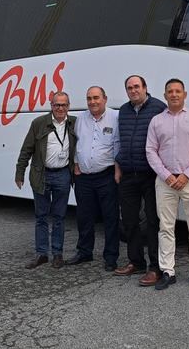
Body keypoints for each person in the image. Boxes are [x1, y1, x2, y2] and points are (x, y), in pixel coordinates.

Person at [146, 78, 189, 292]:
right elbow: (150, 151)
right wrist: (167, 176)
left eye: (177, 91)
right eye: (170, 91)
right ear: (164, 96)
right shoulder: (156, 121)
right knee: (166, 227)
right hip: (165, 182)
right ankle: (168, 271)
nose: (174, 94)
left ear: (184, 94)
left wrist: (185, 175)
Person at [113, 75, 166, 286]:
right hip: (127, 174)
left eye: (137, 87)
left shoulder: (158, 108)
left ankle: (155, 267)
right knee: (130, 221)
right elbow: (120, 140)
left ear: (145, 88)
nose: (133, 90)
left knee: (153, 221)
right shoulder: (124, 111)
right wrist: (118, 166)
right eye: (129, 88)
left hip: (151, 175)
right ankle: (136, 261)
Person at [15, 91, 77, 269]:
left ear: (68, 106)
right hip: (41, 174)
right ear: (51, 106)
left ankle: (57, 254)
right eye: (57, 105)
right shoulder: (39, 123)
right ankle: (41, 253)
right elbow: (26, 150)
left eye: (64, 105)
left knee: (59, 216)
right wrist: (19, 173)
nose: (60, 108)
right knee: (41, 216)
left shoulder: (74, 123)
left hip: (63, 174)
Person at [68, 86, 121, 271]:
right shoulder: (81, 118)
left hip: (106, 175)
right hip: (83, 177)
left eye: (96, 98)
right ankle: (84, 252)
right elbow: (77, 143)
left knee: (110, 217)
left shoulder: (115, 117)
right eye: (89, 98)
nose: (92, 102)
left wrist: (117, 171)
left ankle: (111, 257)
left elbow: (118, 145)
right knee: (84, 217)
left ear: (105, 99)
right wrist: (76, 165)